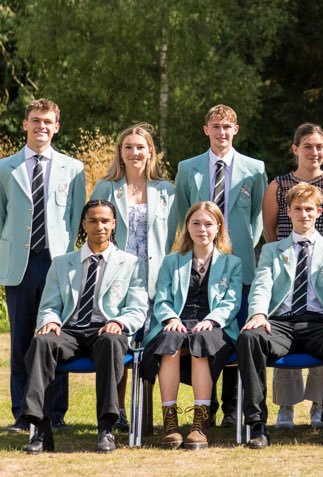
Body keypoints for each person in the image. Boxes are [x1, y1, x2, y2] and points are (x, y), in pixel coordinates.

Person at [0, 98, 86, 433]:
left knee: (56, 336)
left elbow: (75, 218)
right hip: (21, 265)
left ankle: (55, 413)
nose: (41, 126)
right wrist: (15, 249)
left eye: (47, 121)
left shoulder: (73, 169)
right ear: (25, 124)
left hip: (58, 265)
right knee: (22, 341)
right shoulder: (3, 169)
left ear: (56, 127)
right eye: (35, 120)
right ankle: (22, 412)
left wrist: (66, 257)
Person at [19, 200, 148, 453]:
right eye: (93, 220)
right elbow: (49, 305)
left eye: (105, 221)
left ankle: (106, 429)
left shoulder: (131, 264)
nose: (99, 226)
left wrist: (118, 322)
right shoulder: (62, 263)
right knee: (42, 342)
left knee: (112, 342)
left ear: (113, 224)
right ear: (84, 224)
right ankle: (41, 431)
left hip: (106, 330)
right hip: (69, 330)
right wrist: (50, 321)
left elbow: (137, 308)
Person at [237, 183, 323, 448]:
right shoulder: (272, 250)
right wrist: (258, 313)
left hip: (318, 322)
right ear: (288, 212)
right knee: (250, 338)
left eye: (309, 209)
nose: (304, 214)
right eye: (298, 209)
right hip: (280, 323)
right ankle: (257, 425)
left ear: (319, 212)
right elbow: (262, 286)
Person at [171, 104, 266, 427]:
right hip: (199, 264)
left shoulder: (255, 169)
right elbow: (183, 213)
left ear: (235, 130)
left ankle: (232, 407)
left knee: (236, 335)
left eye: (227, 127)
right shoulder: (188, 168)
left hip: (239, 262)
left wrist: (238, 249)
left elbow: (257, 216)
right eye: (216, 126)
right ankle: (206, 406)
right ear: (206, 130)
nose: (221, 132)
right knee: (205, 333)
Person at [263, 123, 323, 430]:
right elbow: (270, 231)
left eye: (319, 147)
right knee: (282, 320)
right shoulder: (278, 185)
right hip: (286, 264)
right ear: (295, 149)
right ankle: (286, 406)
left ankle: (319, 403)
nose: (314, 152)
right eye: (307, 146)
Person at [90, 124, 176, 430]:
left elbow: (173, 234)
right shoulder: (105, 188)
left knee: (152, 346)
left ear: (150, 152)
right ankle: (118, 410)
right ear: (120, 152)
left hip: (154, 278)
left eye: (140, 147)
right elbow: (95, 230)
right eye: (128, 147)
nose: (134, 152)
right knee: (118, 342)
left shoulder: (166, 190)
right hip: (116, 278)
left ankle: (148, 416)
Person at [144, 201, 243, 450]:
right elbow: (162, 299)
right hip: (178, 320)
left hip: (215, 325)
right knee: (169, 343)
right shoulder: (172, 261)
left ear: (218, 227)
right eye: (196, 223)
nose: (202, 229)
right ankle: (170, 422)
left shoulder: (232, 263)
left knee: (201, 342)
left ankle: (200, 422)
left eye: (208, 224)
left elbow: (231, 303)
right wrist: (171, 319)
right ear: (187, 226)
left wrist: (211, 320)